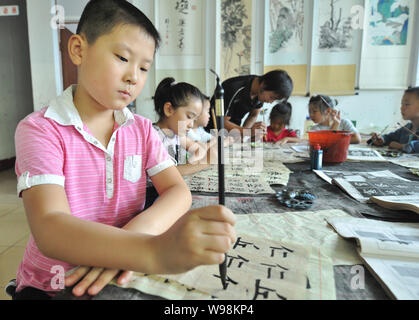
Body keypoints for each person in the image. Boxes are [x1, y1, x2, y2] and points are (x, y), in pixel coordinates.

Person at [10, 0, 236, 300]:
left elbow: (177, 191)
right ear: (78, 49)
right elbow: (50, 228)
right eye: (122, 57)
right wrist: (152, 251)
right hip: (53, 284)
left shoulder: (141, 130)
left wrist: (126, 245)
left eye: (144, 67)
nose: (134, 76)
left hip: (121, 269)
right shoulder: (40, 129)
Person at [153, 78, 218, 176]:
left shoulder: (177, 135)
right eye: (189, 117)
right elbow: (167, 174)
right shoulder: (154, 136)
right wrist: (205, 163)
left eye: (194, 119)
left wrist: (190, 164)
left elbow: (198, 149)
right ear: (169, 109)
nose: (191, 125)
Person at [205, 70, 294, 139]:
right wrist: (247, 132)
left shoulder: (260, 93)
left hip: (231, 135)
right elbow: (221, 122)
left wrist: (245, 135)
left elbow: (253, 115)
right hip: (211, 134)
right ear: (263, 85)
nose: (270, 102)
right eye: (272, 97)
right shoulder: (234, 88)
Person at [370, 87, 419, 153]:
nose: (402, 108)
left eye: (407, 104)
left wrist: (402, 146)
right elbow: (390, 137)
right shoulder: (407, 128)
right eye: (402, 104)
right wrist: (382, 139)